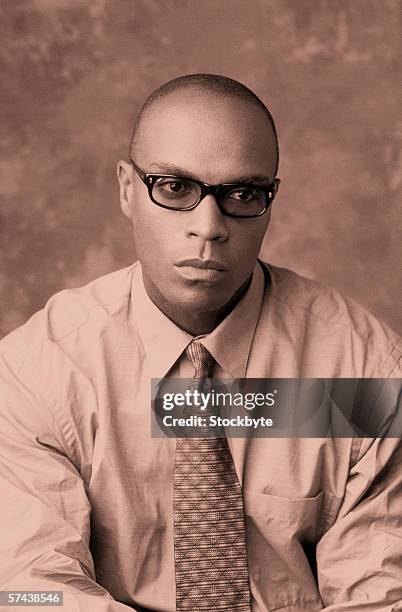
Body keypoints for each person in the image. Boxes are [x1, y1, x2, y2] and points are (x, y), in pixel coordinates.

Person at [0, 74, 401, 612]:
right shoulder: (39, 369)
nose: (208, 227)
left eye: (242, 194)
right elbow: (32, 590)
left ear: (270, 199)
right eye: (175, 188)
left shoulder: (365, 374)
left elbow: (379, 596)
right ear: (127, 189)